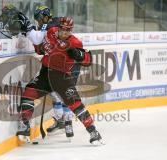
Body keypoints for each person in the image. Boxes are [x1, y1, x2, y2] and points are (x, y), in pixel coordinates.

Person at [15, 17, 103, 145]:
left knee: (76, 105)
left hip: (62, 79)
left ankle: (93, 132)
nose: (65, 32)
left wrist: (80, 55)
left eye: (68, 30)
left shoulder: (75, 43)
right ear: (59, 27)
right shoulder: (50, 33)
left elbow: (88, 60)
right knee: (28, 94)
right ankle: (25, 126)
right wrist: (30, 34)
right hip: (45, 74)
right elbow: (40, 49)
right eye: (63, 29)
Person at [8, 6, 75, 138]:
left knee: (63, 92)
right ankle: (64, 122)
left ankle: (67, 122)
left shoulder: (51, 25)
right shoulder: (52, 24)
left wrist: (28, 27)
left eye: (39, 19)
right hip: (62, 63)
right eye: (36, 19)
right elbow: (41, 49)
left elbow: (38, 40)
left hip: (66, 64)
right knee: (57, 92)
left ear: (46, 16)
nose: (38, 22)